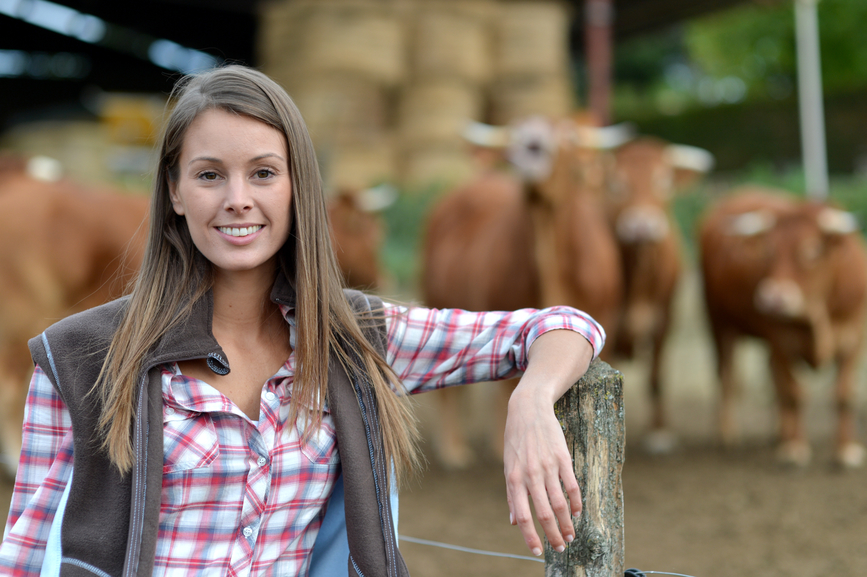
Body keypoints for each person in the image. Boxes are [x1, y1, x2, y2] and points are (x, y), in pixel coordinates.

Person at [0, 65, 605, 576]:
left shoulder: (353, 338)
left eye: (263, 173)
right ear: (176, 191)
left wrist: (532, 401)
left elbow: (565, 325)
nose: (238, 197)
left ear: (296, 188)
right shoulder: (78, 358)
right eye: (210, 174)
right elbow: (24, 561)